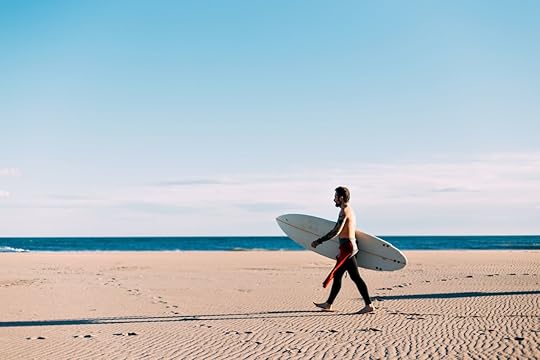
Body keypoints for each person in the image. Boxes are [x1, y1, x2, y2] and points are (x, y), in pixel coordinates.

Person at [311, 186, 373, 314]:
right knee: (339, 275)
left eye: (335, 197)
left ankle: (369, 305)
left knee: (355, 277)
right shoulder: (349, 210)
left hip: (348, 248)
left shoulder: (344, 211)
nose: (333, 200)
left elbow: (336, 231)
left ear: (341, 198)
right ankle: (328, 304)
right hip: (348, 246)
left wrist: (319, 241)